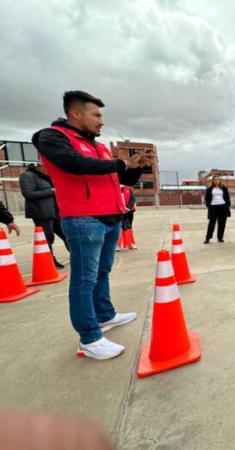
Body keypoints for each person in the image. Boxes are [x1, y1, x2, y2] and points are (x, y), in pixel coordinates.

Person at [32, 90, 153, 360]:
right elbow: (74, 164)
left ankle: (105, 315)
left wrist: (134, 167)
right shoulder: (53, 137)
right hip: (83, 219)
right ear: (75, 113)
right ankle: (88, 337)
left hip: (110, 217)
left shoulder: (99, 147)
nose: (101, 121)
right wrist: (119, 162)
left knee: (102, 272)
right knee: (84, 280)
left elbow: (122, 180)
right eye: (96, 114)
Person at [19, 163, 70, 267]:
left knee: (67, 234)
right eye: (47, 168)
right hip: (41, 212)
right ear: (39, 166)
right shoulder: (28, 176)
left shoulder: (45, 177)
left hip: (54, 212)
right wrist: (50, 191)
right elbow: (28, 194)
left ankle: (76, 256)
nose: (50, 171)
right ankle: (49, 261)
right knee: (47, 238)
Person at [204, 174, 231, 244]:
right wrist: (208, 206)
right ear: (212, 180)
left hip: (223, 207)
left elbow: (227, 198)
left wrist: (227, 206)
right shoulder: (209, 189)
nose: (216, 181)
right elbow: (207, 199)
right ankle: (208, 238)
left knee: (222, 223)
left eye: (218, 179)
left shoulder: (224, 188)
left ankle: (220, 237)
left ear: (220, 180)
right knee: (211, 223)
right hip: (213, 207)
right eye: (215, 179)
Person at [118, 185, 137, 250]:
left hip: (129, 211)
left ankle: (131, 243)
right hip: (119, 211)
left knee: (129, 227)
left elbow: (133, 199)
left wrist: (127, 208)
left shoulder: (128, 189)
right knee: (119, 228)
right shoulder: (116, 189)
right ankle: (118, 245)